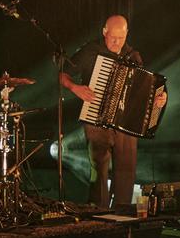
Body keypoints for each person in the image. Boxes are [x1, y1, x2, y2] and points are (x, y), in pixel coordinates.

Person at [59, 14, 167, 208]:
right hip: (96, 119)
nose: (117, 43)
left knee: (126, 171)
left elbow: (143, 90)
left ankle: (122, 212)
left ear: (127, 34)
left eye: (121, 38)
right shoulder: (90, 51)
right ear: (104, 32)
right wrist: (75, 88)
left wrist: (158, 99)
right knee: (98, 169)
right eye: (112, 37)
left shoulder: (133, 56)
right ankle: (97, 212)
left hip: (125, 123)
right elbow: (63, 74)